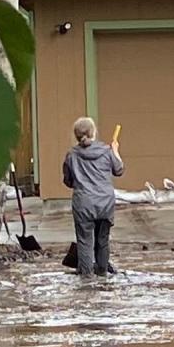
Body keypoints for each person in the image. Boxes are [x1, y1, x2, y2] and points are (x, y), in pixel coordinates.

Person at [62, 117, 123, 278]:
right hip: (106, 203)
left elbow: (68, 181)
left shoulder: (71, 155)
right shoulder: (107, 151)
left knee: (85, 242)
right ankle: (103, 275)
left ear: (76, 135)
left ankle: (87, 279)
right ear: (94, 132)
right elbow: (119, 170)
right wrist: (115, 151)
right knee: (103, 240)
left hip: (83, 204)